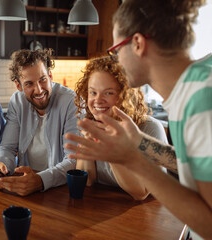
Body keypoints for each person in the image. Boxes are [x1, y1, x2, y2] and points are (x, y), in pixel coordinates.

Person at [64, 0, 212, 239]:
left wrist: (131, 159)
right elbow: (191, 164)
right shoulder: (193, 86)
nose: (117, 61)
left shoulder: (201, 98)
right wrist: (139, 141)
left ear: (138, 44)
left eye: (116, 50)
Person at [0, 49, 79, 196]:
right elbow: (7, 147)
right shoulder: (17, 101)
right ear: (18, 85)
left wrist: (40, 180)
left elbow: (74, 160)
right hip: (25, 187)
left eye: (43, 79)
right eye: (29, 84)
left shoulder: (71, 101)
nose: (39, 90)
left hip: (61, 190)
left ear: (50, 75)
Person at [74, 56, 168, 200]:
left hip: (147, 215)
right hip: (106, 210)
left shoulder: (150, 129)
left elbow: (141, 192)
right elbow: (86, 180)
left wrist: (110, 148)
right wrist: (87, 144)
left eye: (109, 93)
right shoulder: (93, 123)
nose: (97, 100)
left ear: (125, 96)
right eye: (93, 92)